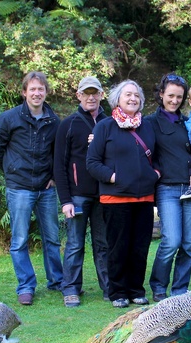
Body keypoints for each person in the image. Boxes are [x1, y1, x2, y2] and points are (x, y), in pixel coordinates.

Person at [0, 71, 63, 306]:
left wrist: (54, 177)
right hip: (19, 188)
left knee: (52, 238)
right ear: (24, 92)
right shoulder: (8, 118)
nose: (37, 93)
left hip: (46, 189)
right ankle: (26, 286)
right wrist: (12, 171)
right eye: (32, 89)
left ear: (46, 92)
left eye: (41, 89)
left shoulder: (54, 121)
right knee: (19, 240)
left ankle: (57, 281)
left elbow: (58, 153)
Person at [86, 80, 159, 308]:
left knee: (140, 247)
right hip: (115, 198)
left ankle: (136, 289)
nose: (132, 98)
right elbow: (92, 162)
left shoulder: (147, 126)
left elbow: (157, 157)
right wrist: (115, 177)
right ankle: (117, 292)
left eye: (136, 95)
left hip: (144, 197)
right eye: (128, 94)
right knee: (118, 247)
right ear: (117, 99)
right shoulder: (105, 126)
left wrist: (155, 174)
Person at [147, 73, 191, 302]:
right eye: (170, 95)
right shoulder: (149, 123)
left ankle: (180, 290)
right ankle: (158, 286)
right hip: (168, 189)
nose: (174, 100)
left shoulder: (190, 121)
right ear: (161, 94)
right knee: (171, 241)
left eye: (179, 97)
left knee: (188, 245)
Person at [54, 76, 109, 308]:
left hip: (105, 194)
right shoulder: (68, 124)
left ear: (101, 95)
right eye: (86, 93)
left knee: (103, 243)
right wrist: (65, 200)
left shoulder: (110, 122)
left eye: (95, 93)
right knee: (75, 244)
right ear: (78, 95)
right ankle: (70, 288)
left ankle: (109, 287)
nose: (91, 97)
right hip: (77, 195)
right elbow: (59, 165)